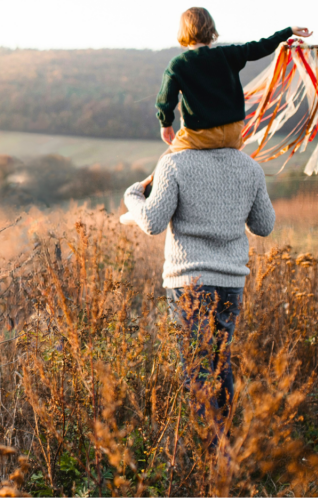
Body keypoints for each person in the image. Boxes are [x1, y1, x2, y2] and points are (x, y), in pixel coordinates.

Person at [122, 145, 275, 447]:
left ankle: (208, 458)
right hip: (230, 282)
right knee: (221, 363)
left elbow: (152, 222)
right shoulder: (250, 167)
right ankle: (224, 451)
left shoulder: (174, 163)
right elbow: (264, 225)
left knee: (197, 368)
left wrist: (133, 195)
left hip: (189, 284)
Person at [156, 7, 312, 151]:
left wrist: (166, 124)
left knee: (167, 159)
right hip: (234, 134)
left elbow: (166, 100)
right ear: (211, 29)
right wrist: (288, 31)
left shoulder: (177, 65)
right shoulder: (228, 54)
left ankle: (146, 183)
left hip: (201, 136)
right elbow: (260, 47)